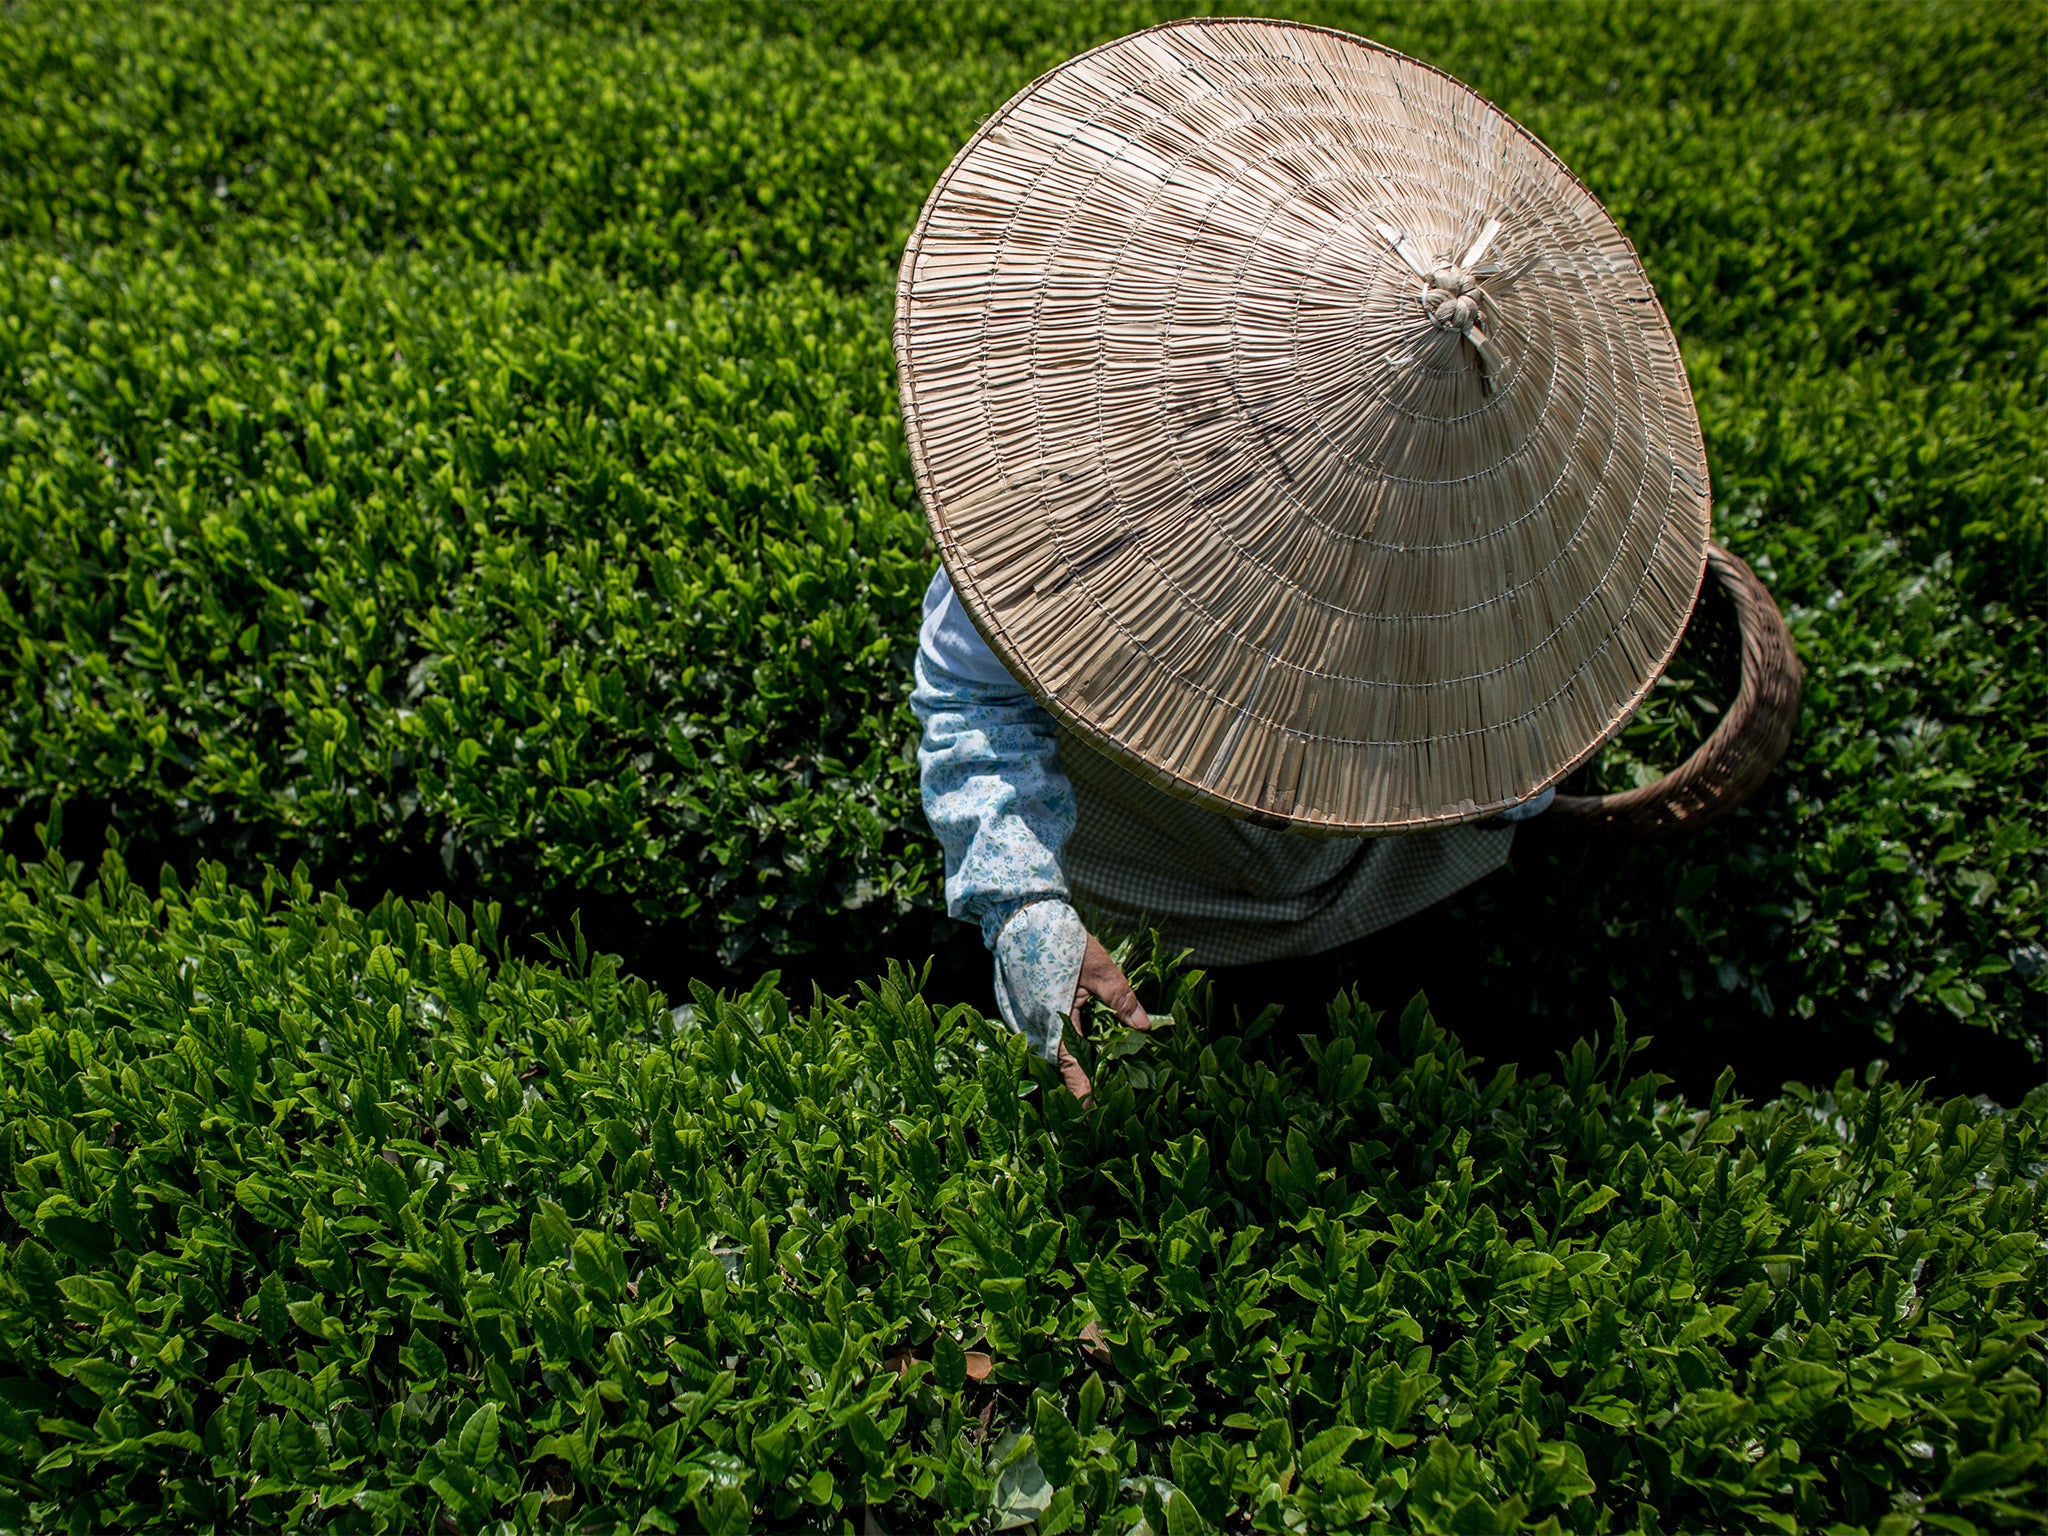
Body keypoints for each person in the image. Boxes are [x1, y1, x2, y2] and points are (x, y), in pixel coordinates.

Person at [893, 18, 1711, 1098]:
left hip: (1316, 830)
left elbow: (1510, 778)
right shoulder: (1078, 508)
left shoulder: (1482, 579)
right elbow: (970, 688)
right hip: (1199, 823)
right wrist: (1025, 901)